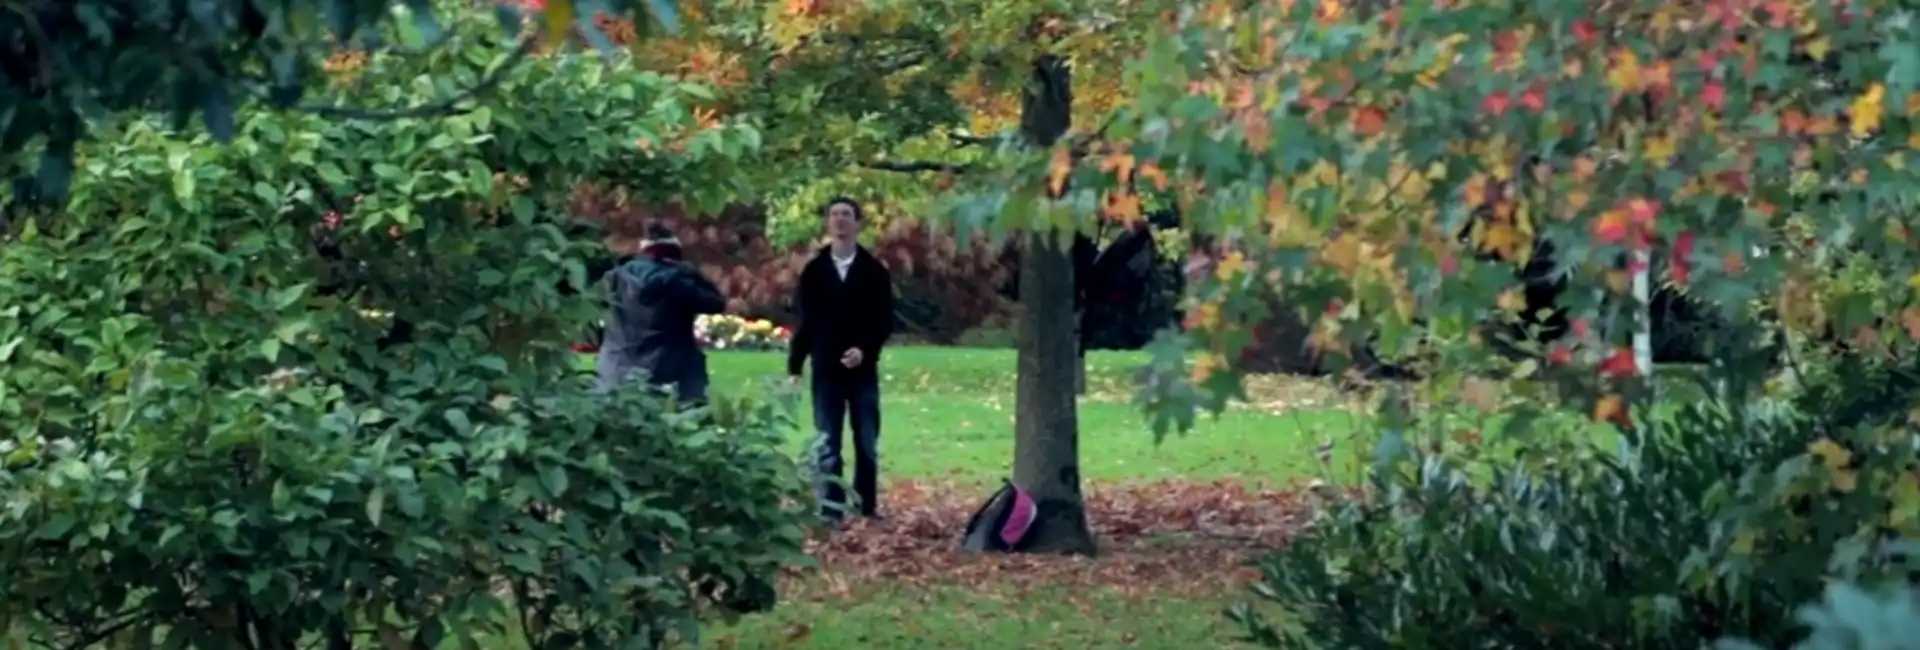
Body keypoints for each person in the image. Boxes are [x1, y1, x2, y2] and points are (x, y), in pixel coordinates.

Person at [787, 197, 895, 522]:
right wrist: (795, 365)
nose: (840, 220)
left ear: (857, 222)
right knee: (827, 443)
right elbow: (805, 321)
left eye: (846, 215)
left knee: (866, 443)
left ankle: (866, 507)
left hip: (862, 371)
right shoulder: (815, 271)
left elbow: (884, 321)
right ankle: (830, 510)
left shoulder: (873, 270)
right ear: (827, 223)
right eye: (834, 215)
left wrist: (864, 349)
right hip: (825, 368)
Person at [596, 223, 728, 403]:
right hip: (671, 370)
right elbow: (716, 303)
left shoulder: (613, 279)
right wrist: (695, 275)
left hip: (616, 367)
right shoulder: (678, 280)